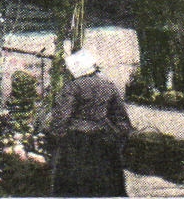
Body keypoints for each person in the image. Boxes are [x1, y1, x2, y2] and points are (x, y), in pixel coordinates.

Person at [46, 49, 132, 197]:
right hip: (104, 142)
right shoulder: (109, 86)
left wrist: (55, 137)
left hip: (76, 143)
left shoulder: (73, 87)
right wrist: (117, 139)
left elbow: (61, 118)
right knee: (106, 188)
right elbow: (122, 120)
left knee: (74, 189)